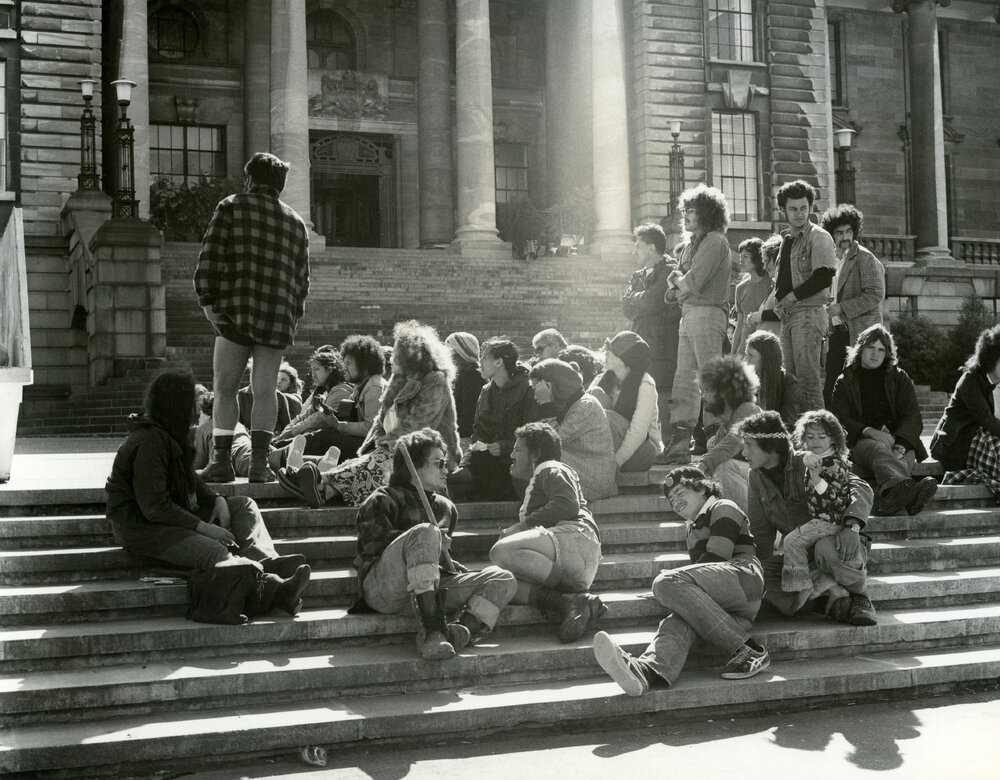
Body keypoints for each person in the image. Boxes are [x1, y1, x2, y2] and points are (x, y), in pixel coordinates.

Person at [106, 371, 310, 614]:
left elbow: (189, 478)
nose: (194, 409)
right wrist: (203, 527)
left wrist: (217, 500)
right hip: (142, 528)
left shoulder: (168, 435)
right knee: (216, 552)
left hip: (174, 517)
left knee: (243, 505)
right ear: (177, 406)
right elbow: (154, 507)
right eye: (190, 403)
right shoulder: (149, 442)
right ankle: (276, 590)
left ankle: (264, 563)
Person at [592, 466, 768, 696]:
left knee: (665, 583)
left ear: (702, 488)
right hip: (728, 610)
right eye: (671, 499)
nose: (675, 501)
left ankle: (748, 649)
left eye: (680, 493)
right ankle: (647, 672)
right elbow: (701, 577)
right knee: (677, 621)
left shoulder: (723, 507)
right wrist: (677, 591)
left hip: (744, 577)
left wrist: (671, 585)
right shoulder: (692, 528)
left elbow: (717, 557)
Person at [351, 428, 517, 660]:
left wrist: (451, 564)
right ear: (415, 467)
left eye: (445, 462)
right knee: (426, 532)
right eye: (438, 463)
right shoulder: (382, 498)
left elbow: (432, 564)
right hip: (385, 589)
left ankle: (463, 631)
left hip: (428, 589)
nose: (446, 469)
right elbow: (371, 547)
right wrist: (425, 539)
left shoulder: (446, 507)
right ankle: (433, 631)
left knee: (503, 578)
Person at [195, 152, 310, 484]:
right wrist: (292, 314)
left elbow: (210, 257)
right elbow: (303, 280)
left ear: (249, 179)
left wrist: (207, 301)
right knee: (265, 390)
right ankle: (259, 465)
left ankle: (220, 462)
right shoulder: (296, 222)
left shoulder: (230, 206)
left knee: (226, 387)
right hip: (276, 317)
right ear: (281, 185)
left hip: (235, 311)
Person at [283, 320, 462, 507]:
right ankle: (322, 490)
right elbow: (380, 423)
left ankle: (318, 484)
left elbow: (419, 425)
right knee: (364, 461)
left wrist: (383, 446)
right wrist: (373, 447)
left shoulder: (435, 381)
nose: (392, 357)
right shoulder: (397, 382)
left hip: (429, 456)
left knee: (378, 463)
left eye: (398, 352)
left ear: (412, 355)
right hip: (394, 449)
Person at [739, 410, 877, 626]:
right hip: (800, 557)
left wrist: (852, 527)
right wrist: (753, 568)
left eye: (749, 445)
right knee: (751, 575)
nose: (743, 452)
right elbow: (760, 534)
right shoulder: (755, 476)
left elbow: (860, 487)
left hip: (838, 542)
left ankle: (860, 597)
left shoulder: (810, 460)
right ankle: (828, 597)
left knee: (825, 548)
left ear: (770, 447)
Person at [489, 422, 605, 643]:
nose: (512, 454)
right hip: (569, 557)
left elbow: (567, 504)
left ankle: (573, 595)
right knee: (499, 580)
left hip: (576, 538)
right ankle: (568, 602)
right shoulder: (540, 476)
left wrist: (518, 528)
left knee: (501, 552)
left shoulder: (550, 467)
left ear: (537, 454)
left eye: (518, 449)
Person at [830, 324, 937, 515]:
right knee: (877, 449)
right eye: (870, 348)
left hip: (899, 443)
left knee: (901, 464)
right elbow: (839, 419)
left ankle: (888, 502)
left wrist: (900, 445)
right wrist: (868, 431)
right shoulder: (845, 380)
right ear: (860, 349)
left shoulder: (899, 377)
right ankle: (912, 495)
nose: (875, 354)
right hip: (862, 444)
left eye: (881, 350)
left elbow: (912, 415)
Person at [662, 184, 733, 464]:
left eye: (693, 210)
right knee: (684, 381)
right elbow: (672, 292)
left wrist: (679, 285)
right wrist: (680, 287)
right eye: (685, 210)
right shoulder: (692, 244)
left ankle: (719, 443)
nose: (687, 215)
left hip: (707, 313)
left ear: (708, 212)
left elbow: (692, 281)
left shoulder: (715, 241)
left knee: (709, 379)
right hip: (689, 313)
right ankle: (680, 444)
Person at [773, 180, 837, 411]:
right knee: (789, 383)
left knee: (808, 383)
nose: (799, 214)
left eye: (803, 208)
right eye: (793, 209)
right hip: (790, 316)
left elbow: (824, 277)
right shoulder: (787, 240)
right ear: (783, 211)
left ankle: (819, 441)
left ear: (810, 207)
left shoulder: (818, 236)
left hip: (808, 314)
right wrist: (780, 302)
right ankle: (798, 439)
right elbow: (783, 280)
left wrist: (790, 298)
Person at [448, 338, 538, 501]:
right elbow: (478, 433)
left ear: (498, 362)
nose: (479, 362)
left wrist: (504, 447)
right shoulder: (486, 390)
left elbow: (532, 432)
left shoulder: (528, 389)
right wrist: (468, 460)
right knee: (452, 482)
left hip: (513, 461)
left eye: (484, 358)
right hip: (485, 459)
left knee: (457, 484)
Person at [820, 204, 885, 406]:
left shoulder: (864, 257)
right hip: (837, 333)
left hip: (860, 334)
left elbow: (876, 294)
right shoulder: (830, 260)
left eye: (849, 231)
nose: (845, 237)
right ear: (831, 235)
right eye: (839, 233)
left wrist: (842, 308)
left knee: (860, 389)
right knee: (831, 388)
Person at [782, 410, 853, 594]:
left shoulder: (833, 464)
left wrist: (816, 479)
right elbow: (794, 453)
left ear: (833, 439)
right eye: (810, 437)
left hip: (829, 521)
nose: (816, 442)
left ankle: (798, 589)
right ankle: (821, 586)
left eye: (822, 437)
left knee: (791, 542)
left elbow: (836, 501)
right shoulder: (817, 458)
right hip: (820, 519)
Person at [529, 359, 618, 501]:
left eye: (538, 390)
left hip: (595, 479)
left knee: (538, 452)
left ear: (553, 386)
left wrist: (546, 404)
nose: (535, 396)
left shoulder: (586, 405)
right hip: (578, 466)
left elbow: (552, 440)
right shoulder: (567, 403)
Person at [623, 223, 681, 440]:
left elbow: (654, 301)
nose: (634, 251)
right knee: (641, 392)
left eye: (638, 246)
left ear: (651, 247)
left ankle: (666, 442)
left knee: (663, 392)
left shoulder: (669, 269)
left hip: (663, 345)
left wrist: (639, 300)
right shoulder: (637, 275)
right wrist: (642, 301)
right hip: (641, 341)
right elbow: (627, 307)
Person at [931, 324, 1000, 498]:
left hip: (977, 439)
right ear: (991, 358)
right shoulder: (970, 380)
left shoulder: (995, 383)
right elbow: (986, 419)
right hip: (953, 442)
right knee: (994, 444)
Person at [694, 355, 760, 512]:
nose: (703, 397)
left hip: (773, 487)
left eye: (708, 391)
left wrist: (702, 465)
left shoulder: (748, 409)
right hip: (755, 484)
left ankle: (747, 526)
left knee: (724, 468)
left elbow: (733, 442)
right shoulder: (724, 426)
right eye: (702, 391)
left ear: (725, 391)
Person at [589, 331, 662, 472]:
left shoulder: (645, 384)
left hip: (640, 449)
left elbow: (638, 431)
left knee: (605, 416)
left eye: (612, 352)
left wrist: (615, 462)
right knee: (593, 395)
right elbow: (583, 414)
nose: (606, 354)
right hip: (609, 443)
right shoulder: (601, 380)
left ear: (626, 360)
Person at [273, 346, 353, 447]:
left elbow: (318, 420)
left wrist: (288, 435)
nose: (313, 374)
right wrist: (284, 434)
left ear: (330, 370)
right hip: (314, 439)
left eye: (317, 369)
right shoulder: (322, 392)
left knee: (309, 431)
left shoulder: (341, 391)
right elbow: (303, 416)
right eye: (312, 370)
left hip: (333, 444)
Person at [744, 329, 804, 430]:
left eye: (751, 356)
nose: (746, 361)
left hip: (775, 438)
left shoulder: (788, 383)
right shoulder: (747, 379)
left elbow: (788, 425)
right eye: (746, 355)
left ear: (767, 358)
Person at [732, 238, 775, 357]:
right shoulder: (740, 288)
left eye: (745, 257)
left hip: (768, 344)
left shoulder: (771, 282)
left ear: (757, 258)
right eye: (740, 257)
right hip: (745, 347)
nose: (740, 260)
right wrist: (733, 353)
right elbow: (739, 325)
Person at [193, 392, 252, 478]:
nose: (199, 418)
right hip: (251, 450)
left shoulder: (204, 427)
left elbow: (199, 463)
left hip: (236, 459)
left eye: (200, 413)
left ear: (207, 412)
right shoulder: (238, 424)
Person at [444, 331, 486, 443]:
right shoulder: (465, 373)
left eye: (451, 351)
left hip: (465, 437)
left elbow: (469, 413)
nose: (448, 356)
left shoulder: (472, 375)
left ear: (461, 353)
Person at [742, 235, 783, 341]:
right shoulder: (776, 286)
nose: (764, 267)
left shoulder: (784, 285)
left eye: (766, 261)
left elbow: (786, 312)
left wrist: (760, 316)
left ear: (777, 259)